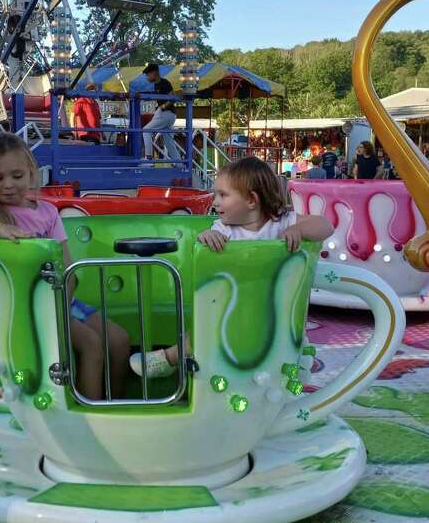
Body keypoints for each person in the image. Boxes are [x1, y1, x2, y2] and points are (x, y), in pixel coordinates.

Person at [0, 133, 131, 401]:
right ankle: (90, 413)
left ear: (31, 173)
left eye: (17, 176)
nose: (9, 185)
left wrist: (63, 304)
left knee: (119, 339)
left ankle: (116, 403)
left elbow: (67, 266)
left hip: (62, 299)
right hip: (27, 307)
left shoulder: (47, 213)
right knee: (92, 345)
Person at [130, 156, 335, 379]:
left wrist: (300, 230)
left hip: (275, 307)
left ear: (251, 200)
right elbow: (204, 247)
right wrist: (208, 237)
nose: (215, 201)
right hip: (234, 304)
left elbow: (325, 225)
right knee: (204, 329)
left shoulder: (282, 221)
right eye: (215, 194)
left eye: (223, 195)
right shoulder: (224, 229)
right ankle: (168, 358)